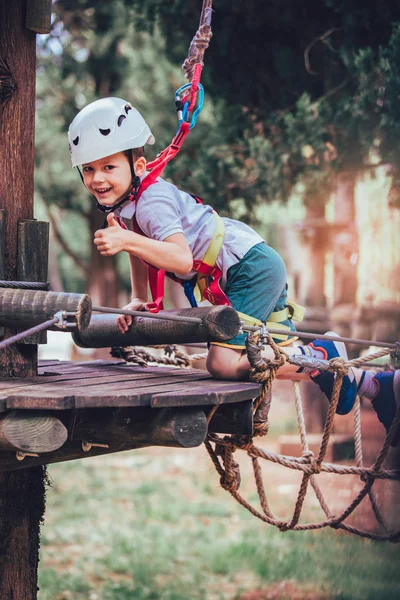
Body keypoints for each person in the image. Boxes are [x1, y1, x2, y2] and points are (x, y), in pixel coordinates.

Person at [68, 97, 399, 443]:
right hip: (243, 268)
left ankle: (320, 355)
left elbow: (179, 259)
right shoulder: (127, 207)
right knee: (270, 358)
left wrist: (125, 242)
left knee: (223, 365)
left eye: (108, 167)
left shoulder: (152, 202)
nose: (97, 179)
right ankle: (376, 385)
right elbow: (139, 248)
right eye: (88, 169)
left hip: (249, 269)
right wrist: (139, 298)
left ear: (138, 165)